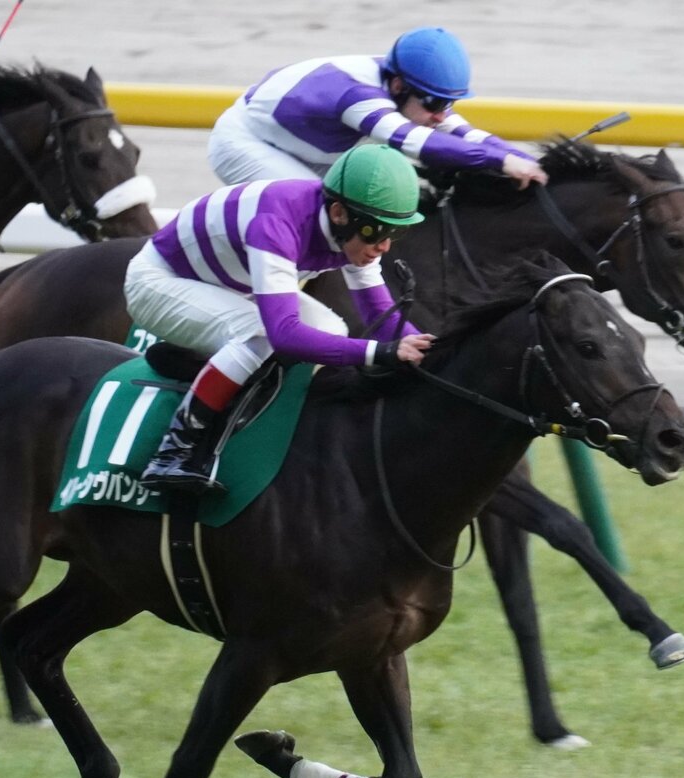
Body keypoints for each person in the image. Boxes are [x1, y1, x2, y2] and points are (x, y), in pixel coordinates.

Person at [124, 144, 435, 497]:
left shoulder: (352, 224)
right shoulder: (278, 222)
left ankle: (215, 377)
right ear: (338, 213)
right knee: (258, 334)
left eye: (394, 233)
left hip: (228, 284)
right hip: (159, 283)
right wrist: (382, 353)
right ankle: (173, 451)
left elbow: (379, 313)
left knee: (332, 330)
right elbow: (285, 334)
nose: (384, 246)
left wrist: (430, 352)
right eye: (377, 232)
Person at [207, 26, 547, 190]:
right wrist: (502, 162)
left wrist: (533, 164)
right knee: (313, 208)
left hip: (305, 152)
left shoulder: (414, 90)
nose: (442, 114)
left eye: (449, 103)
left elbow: (468, 135)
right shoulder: (359, 96)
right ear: (398, 87)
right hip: (244, 143)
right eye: (434, 104)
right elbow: (415, 143)